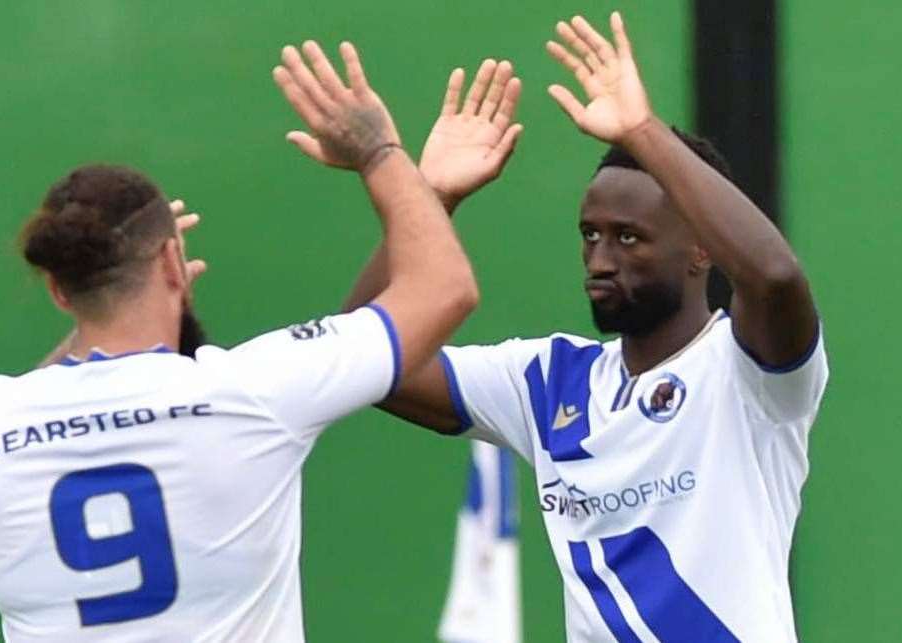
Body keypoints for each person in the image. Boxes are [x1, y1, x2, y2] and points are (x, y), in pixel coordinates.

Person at [0, 40, 480, 642]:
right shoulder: (253, 389)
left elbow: (57, 388)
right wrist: (380, 150)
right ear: (173, 260)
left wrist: (119, 296)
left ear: (59, 291)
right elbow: (444, 288)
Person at [343, 12, 828, 642]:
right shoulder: (548, 382)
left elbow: (776, 278)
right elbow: (359, 354)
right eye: (590, 236)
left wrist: (643, 130)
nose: (600, 260)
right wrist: (429, 198)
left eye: (629, 238)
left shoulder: (748, 373)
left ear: (700, 251)